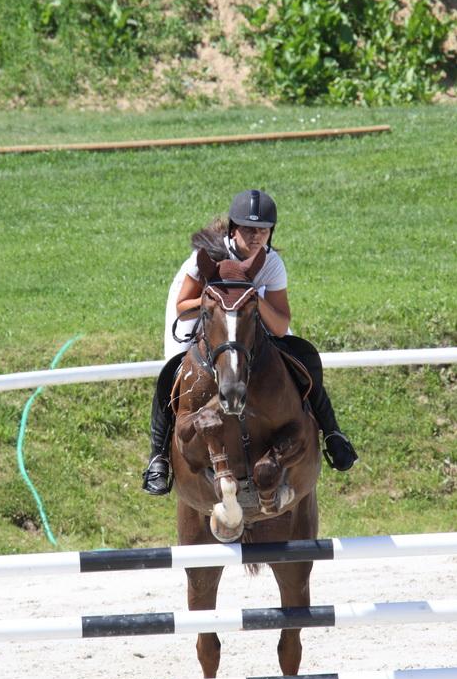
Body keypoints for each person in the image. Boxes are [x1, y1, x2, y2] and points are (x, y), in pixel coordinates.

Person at [142, 189, 358, 495]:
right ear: (233, 229)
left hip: (247, 317)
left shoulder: (271, 263)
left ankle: (333, 433)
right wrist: (216, 303)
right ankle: (159, 457)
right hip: (202, 313)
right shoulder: (206, 258)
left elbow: (280, 325)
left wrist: (251, 299)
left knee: (303, 356)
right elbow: (182, 306)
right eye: (248, 229)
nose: (256, 237)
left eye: (263, 230)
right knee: (173, 369)